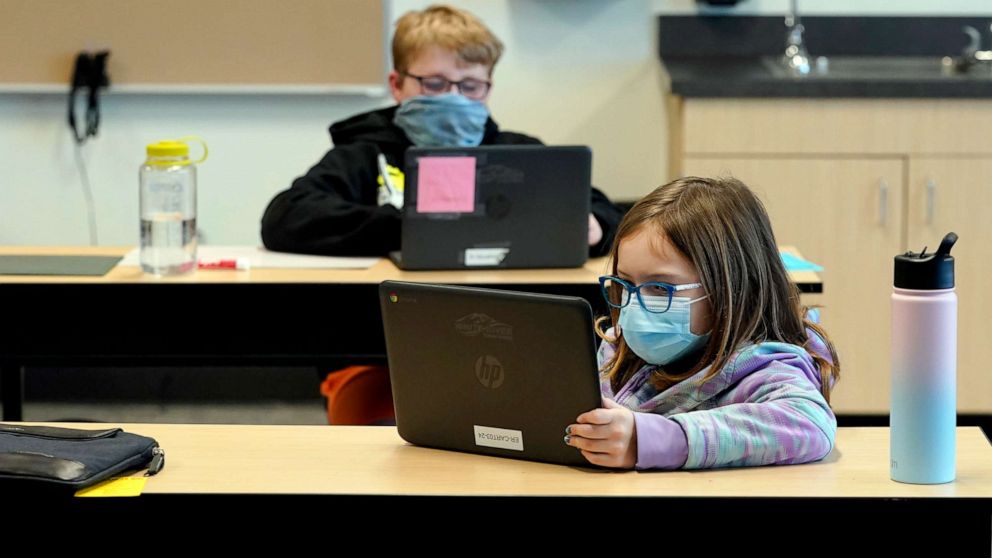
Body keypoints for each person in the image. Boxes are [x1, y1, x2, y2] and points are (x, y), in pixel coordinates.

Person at [261, 4, 623, 256]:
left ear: (488, 89)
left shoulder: (520, 153)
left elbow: (603, 214)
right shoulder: (364, 154)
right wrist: (417, 226)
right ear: (398, 85)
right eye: (434, 83)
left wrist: (597, 227)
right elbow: (286, 218)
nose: (453, 98)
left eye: (469, 86)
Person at [565, 176, 840, 469]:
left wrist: (654, 440)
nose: (634, 305)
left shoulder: (763, 369)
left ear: (728, 290)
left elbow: (810, 425)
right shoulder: (617, 349)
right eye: (626, 283)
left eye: (660, 288)